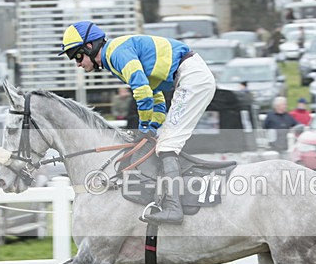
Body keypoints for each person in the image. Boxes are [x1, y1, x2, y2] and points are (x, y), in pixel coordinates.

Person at [59, 20, 216, 225]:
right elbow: (157, 98)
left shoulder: (116, 53)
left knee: (168, 145)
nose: (78, 63)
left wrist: (143, 128)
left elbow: (142, 90)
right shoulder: (114, 57)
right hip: (188, 77)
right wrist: (151, 128)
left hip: (192, 78)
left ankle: (174, 208)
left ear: (89, 46)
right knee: (162, 140)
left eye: (76, 56)